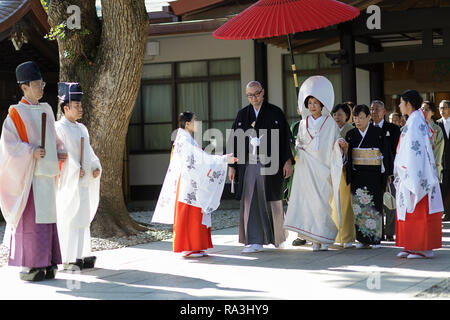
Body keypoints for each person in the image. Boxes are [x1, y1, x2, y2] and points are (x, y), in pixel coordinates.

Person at [0, 61, 67, 281]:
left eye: (42, 83)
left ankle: (48, 261)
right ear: (24, 87)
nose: (41, 88)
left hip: (46, 174)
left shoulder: (47, 109)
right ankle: (31, 265)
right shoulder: (16, 114)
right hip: (29, 177)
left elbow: (54, 139)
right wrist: (30, 151)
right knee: (32, 222)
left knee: (48, 220)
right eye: (37, 84)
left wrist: (59, 151)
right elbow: (9, 146)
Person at [153, 112, 237, 258]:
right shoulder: (184, 140)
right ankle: (189, 246)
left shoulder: (185, 138)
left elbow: (200, 158)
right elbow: (200, 158)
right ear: (187, 124)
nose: (197, 122)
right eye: (195, 120)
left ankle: (196, 245)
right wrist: (222, 159)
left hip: (191, 180)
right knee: (190, 214)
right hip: (188, 182)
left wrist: (221, 159)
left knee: (195, 214)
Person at [228, 81, 293, 253]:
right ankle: (254, 240)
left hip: (272, 162)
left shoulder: (275, 112)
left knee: (273, 199)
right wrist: (232, 166)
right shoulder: (242, 114)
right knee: (250, 198)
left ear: (263, 92)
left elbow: (286, 137)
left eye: (256, 94)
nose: (254, 98)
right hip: (249, 163)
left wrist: (287, 161)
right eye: (250, 95)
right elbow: (234, 140)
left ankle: (277, 237)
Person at [284, 76, 347, 252]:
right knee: (309, 203)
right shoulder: (303, 123)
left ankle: (325, 236)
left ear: (322, 105)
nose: (312, 106)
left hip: (323, 167)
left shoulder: (330, 123)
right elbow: (299, 142)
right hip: (307, 167)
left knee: (322, 203)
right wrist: (298, 148)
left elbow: (335, 140)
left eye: (315, 103)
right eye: (309, 103)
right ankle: (314, 238)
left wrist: (340, 144)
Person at [55, 82, 102, 271]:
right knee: (70, 217)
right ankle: (68, 256)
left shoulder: (82, 129)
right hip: (69, 181)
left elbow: (89, 152)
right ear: (66, 108)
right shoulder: (59, 128)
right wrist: (74, 168)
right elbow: (60, 153)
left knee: (83, 218)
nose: (80, 109)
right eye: (76, 106)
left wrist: (95, 166)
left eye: (81, 105)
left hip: (83, 180)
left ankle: (82, 253)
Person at [395, 90, 443, 259]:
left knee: (418, 208)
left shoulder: (415, 121)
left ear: (408, 103)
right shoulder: (415, 119)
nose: (399, 105)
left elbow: (416, 151)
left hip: (417, 171)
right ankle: (411, 245)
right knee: (411, 209)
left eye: (401, 102)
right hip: (412, 170)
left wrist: (411, 172)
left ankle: (423, 247)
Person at [344, 105, 390, 249]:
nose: (358, 121)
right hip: (358, 174)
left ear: (369, 118)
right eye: (355, 118)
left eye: (361, 118)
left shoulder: (378, 133)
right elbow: (348, 156)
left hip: (374, 173)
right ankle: (362, 239)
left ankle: (375, 239)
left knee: (374, 205)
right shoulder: (351, 134)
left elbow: (386, 154)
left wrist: (387, 173)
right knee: (359, 206)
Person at [370, 100, 401, 241]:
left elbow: (395, 152)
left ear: (384, 112)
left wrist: (391, 172)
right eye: (372, 109)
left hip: (389, 171)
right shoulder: (367, 128)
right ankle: (378, 232)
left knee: (390, 202)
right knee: (375, 202)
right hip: (372, 171)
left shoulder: (393, 129)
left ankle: (389, 232)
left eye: (377, 109)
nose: (374, 112)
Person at [331, 103, 355, 248]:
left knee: (346, 204)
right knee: (334, 203)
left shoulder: (351, 130)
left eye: (340, 114)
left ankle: (347, 237)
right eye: (334, 114)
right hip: (333, 170)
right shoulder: (330, 130)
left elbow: (353, 152)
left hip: (345, 170)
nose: (337, 117)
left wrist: (345, 150)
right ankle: (335, 235)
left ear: (347, 116)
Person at [421, 101, 445, 182]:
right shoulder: (415, 127)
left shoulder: (437, 130)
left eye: (427, 109)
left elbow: (438, 152)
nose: (423, 111)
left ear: (433, 112)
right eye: (422, 109)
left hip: (432, 166)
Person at [437, 100, 450, 221]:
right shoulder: (437, 124)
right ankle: (444, 212)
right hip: (443, 163)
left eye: (444, 108)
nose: (442, 110)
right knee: (443, 188)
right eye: (440, 108)